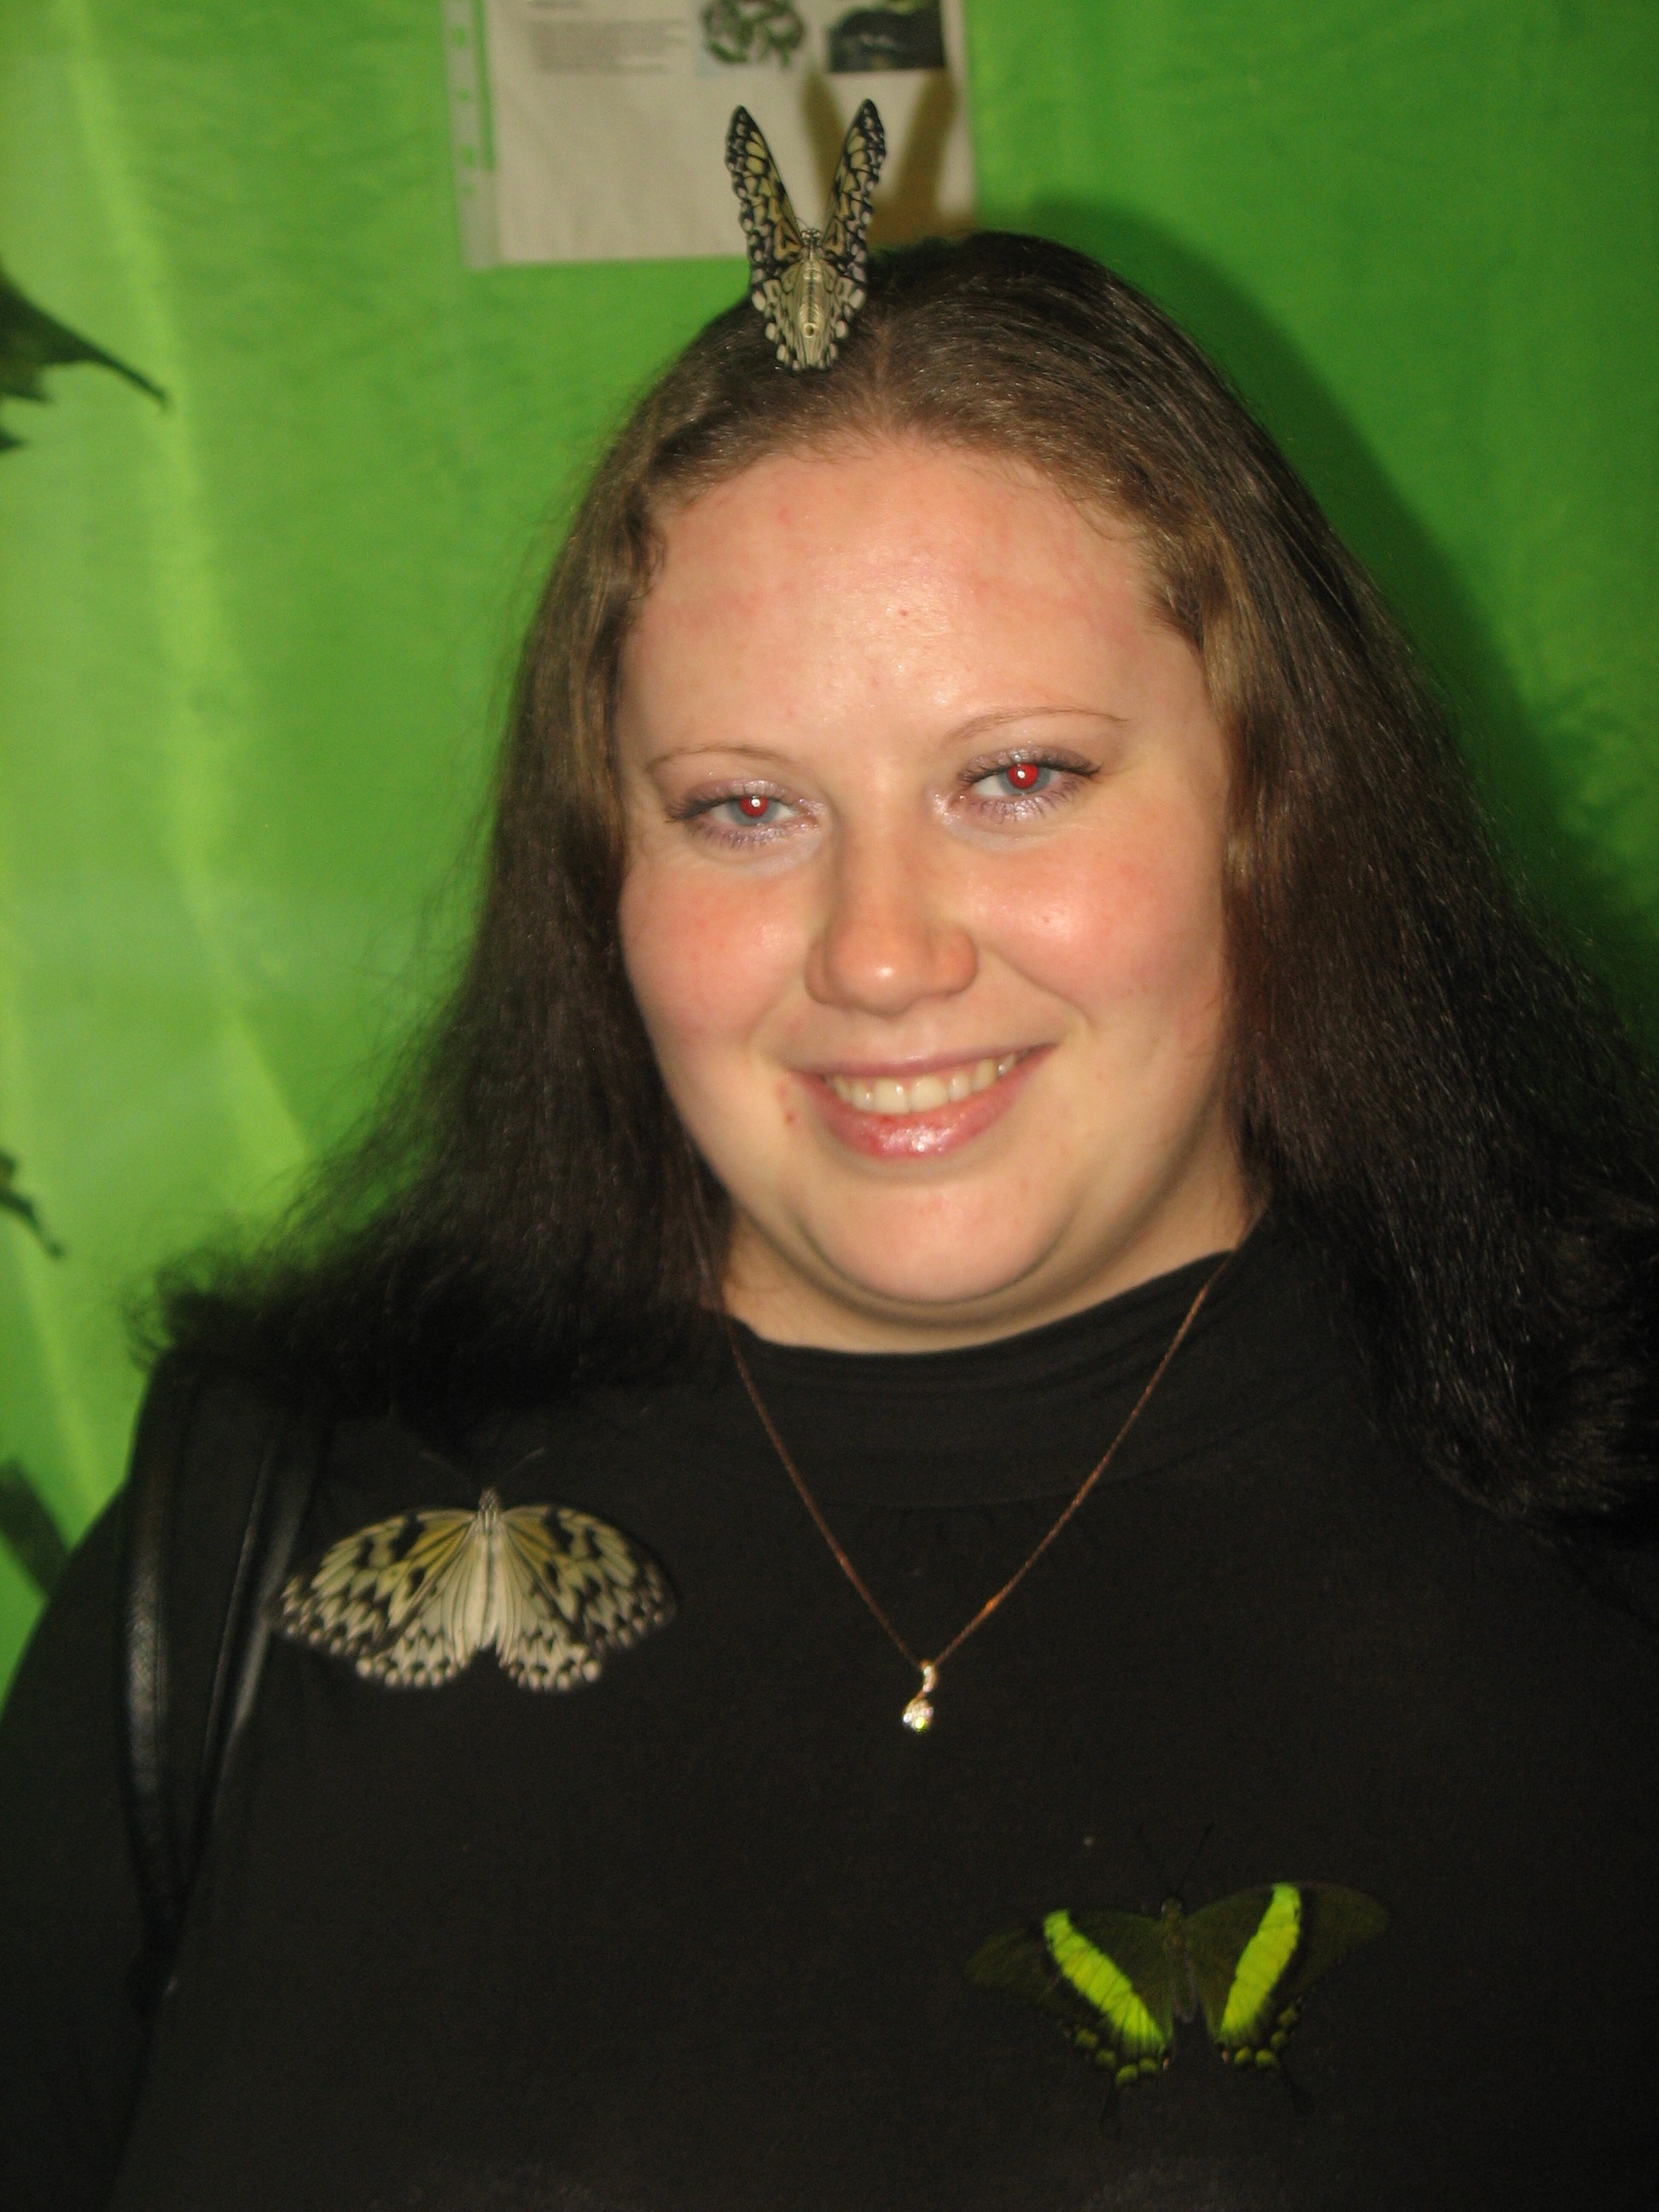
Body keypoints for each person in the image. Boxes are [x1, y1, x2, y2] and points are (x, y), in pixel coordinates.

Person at [2, 230, 1657, 2212]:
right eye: (744, 809)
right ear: (598, 875)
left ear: (1271, 808)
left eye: (1018, 776)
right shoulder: (260, 1529)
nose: (879, 954)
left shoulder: (1601, 1544)